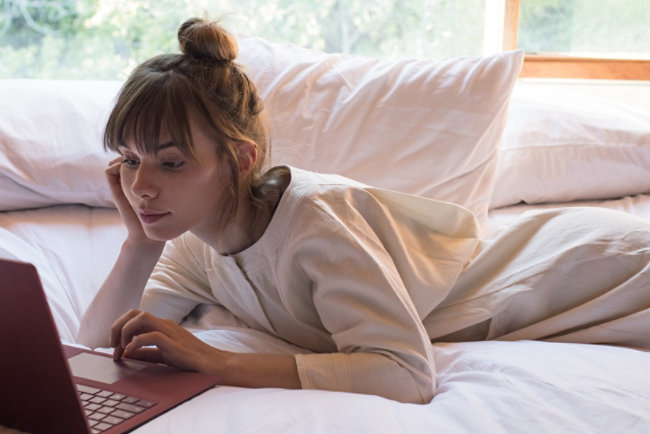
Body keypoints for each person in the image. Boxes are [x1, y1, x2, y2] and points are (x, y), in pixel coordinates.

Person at [77, 17, 650, 404]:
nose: (141, 186)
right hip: (551, 297)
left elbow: (405, 372)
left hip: (583, 270)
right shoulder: (193, 245)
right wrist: (140, 245)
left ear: (239, 160)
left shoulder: (314, 220)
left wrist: (216, 362)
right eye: (128, 160)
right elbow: (94, 345)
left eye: (171, 164)